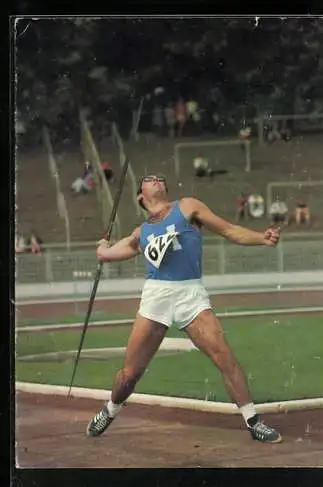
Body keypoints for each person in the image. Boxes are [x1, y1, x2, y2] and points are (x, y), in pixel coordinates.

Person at [86, 174, 282, 444]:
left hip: (191, 294)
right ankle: (110, 410)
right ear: (140, 197)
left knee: (224, 357)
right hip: (156, 297)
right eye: (148, 179)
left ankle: (253, 421)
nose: (155, 179)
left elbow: (228, 229)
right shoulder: (140, 232)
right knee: (130, 374)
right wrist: (102, 247)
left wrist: (262, 238)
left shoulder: (187, 206)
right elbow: (106, 255)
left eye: (158, 178)